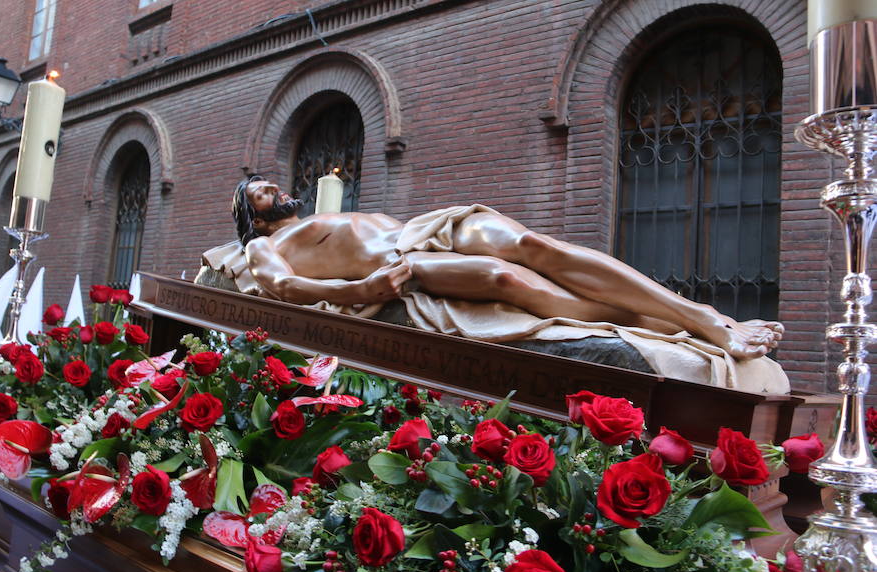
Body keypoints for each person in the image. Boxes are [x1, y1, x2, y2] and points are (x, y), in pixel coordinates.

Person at [233, 176, 782, 360]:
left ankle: (701, 314)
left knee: (533, 245)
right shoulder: (261, 248)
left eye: (273, 186)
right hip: (407, 264)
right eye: (261, 193)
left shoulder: (327, 214)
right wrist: (365, 288)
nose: (276, 190)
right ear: (251, 219)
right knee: (507, 281)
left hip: (428, 226)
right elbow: (284, 287)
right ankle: (664, 322)